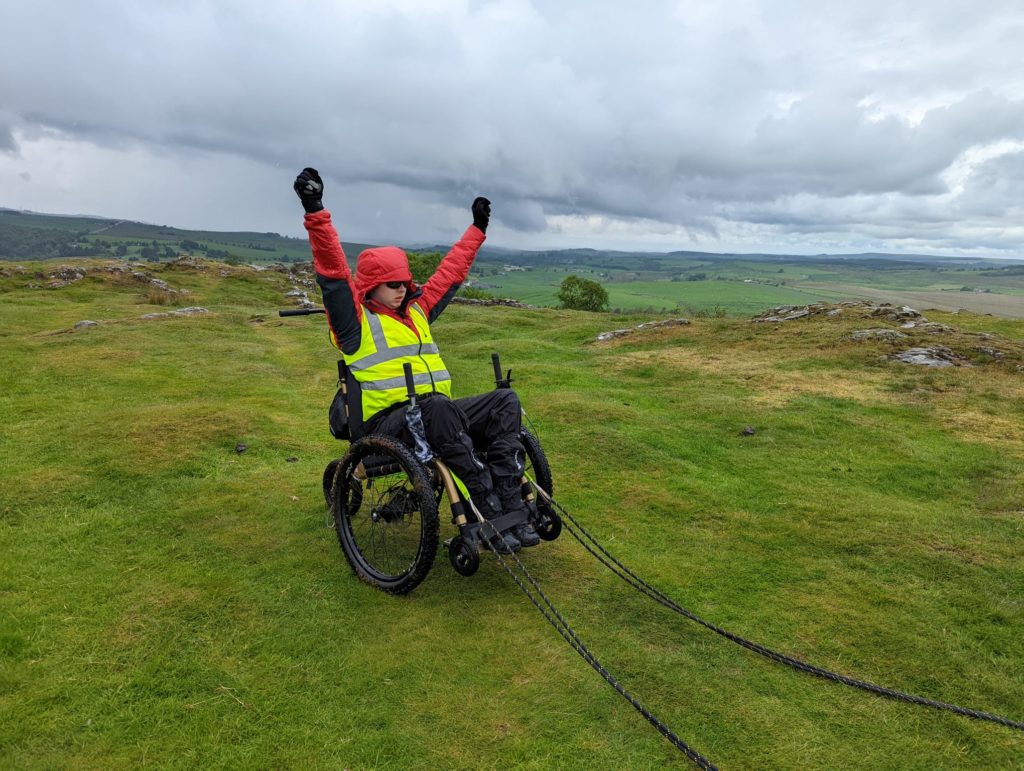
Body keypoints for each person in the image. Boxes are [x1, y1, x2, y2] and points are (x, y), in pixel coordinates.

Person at [293, 167, 538, 553]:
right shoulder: (354, 324)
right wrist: (315, 209)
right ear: (371, 287)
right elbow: (334, 274)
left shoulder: (418, 310)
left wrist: (477, 229)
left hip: (435, 416)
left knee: (505, 402)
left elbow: (450, 273)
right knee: (438, 408)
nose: (402, 289)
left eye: (406, 283)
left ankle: (511, 502)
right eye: (393, 284)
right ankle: (485, 506)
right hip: (386, 425)